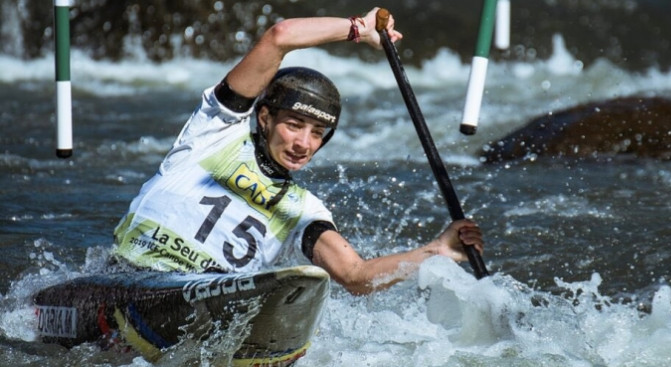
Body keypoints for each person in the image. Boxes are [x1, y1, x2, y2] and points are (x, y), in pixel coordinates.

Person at [111, 7, 485, 295]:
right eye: (293, 124)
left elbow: (355, 276)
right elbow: (280, 36)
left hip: (206, 297)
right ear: (264, 118)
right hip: (129, 276)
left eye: (317, 133)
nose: (303, 143)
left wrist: (440, 250)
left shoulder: (303, 210)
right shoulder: (216, 129)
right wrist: (358, 28)